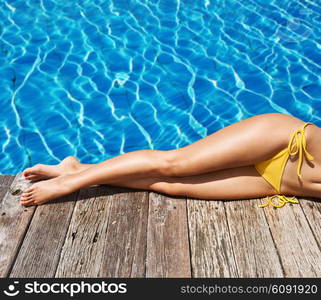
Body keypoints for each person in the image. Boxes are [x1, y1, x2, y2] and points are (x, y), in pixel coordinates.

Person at [20, 113, 321, 208]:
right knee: (174, 164)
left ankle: (77, 168)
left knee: (171, 185)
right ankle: (72, 181)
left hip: (280, 183)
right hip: (286, 142)